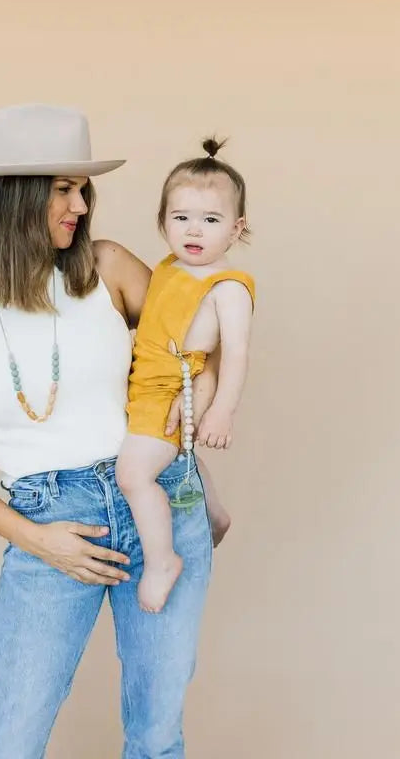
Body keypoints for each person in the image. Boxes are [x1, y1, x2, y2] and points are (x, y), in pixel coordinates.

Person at [0, 103, 220, 759]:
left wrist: (189, 423)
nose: (80, 205)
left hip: (159, 502)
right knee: (8, 741)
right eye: (61, 189)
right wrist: (37, 540)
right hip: (51, 518)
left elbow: (197, 344)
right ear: (11, 198)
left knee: (157, 736)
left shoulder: (106, 268)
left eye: (82, 189)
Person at [115, 138, 255, 613]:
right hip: (144, 380)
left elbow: (235, 354)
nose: (194, 230)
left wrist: (220, 411)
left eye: (211, 220)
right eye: (181, 218)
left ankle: (162, 561)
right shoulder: (172, 267)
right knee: (174, 454)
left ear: (236, 228)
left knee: (134, 474)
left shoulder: (228, 287)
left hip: (171, 388)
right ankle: (214, 512)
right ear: (163, 221)